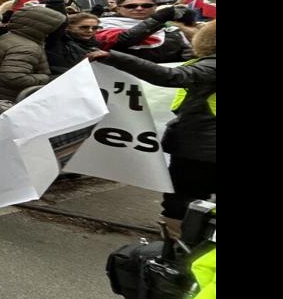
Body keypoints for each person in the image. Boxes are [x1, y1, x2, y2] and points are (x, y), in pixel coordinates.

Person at [89, 18, 214, 234]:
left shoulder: (213, 64)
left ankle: (178, 244)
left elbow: (172, 76)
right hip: (202, 142)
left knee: (183, 194)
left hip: (201, 146)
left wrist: (114, 57)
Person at [0, 5, 65, 102]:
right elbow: (12, 77)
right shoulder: (27, 48)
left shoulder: (10, 37)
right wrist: (47, 78)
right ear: (41, 26)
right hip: (12, 100)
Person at [105, 0, 191, 63]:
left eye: (147, 6)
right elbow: (122, 41)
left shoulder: (172, 31)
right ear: (118, 9)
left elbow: (187, 57)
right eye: (131, 6)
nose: (139, 8)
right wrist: (157, 19)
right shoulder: (103, 25)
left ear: (155, 8)